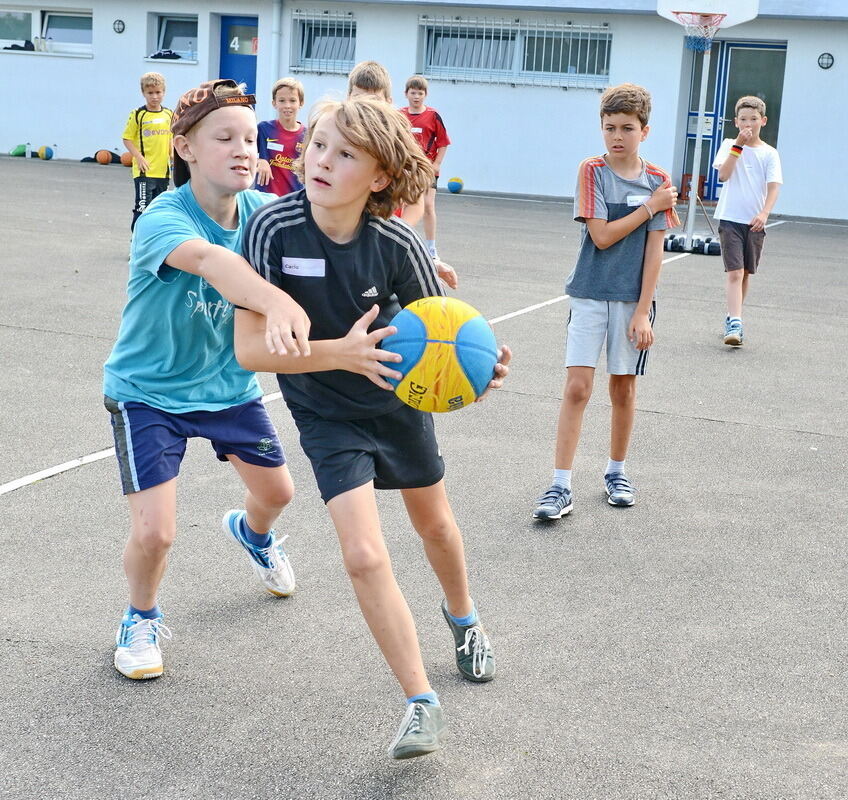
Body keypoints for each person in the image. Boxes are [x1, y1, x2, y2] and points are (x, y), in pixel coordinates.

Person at [236, 96, 511, 760]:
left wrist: (476, 368)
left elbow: (439, 329)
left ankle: (464, 619)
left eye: (345, 154)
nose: (322, 160)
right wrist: (339, 354)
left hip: (394, 403)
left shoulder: (395, 243)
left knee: (435, 525)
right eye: (320, 145)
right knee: (362, 554)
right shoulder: (272, 229)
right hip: (325, 412)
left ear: (380, 177)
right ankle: (421, 702)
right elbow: (249, 349)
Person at [104, 80, 392, 682]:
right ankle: (140, 616)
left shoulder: (264, 212)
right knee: (156, 533)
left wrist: (406, 257)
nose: (245, 150)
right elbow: (214, 262)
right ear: (183, 147)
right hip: (148, 393)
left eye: (251, 139)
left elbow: (336, 234)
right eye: (224, 138)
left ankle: (254, 534)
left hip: (229, 389)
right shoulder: (163, 217)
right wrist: (275, 302)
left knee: (279, 495)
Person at [532, 83, 678, 520]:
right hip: (590, 295)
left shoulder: (659, 181)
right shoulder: (592, 171)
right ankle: (560, 485)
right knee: (577, 387)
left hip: (632, 301)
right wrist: (649, 208)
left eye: (627, 128)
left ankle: (617, 472)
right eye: (609, 127)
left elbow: (655, 254)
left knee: (623, 389)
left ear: (644, 131)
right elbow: (601, 235)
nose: (617, 136)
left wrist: (642, 311)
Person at [346, 61, 458, 291]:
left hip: (384, 245)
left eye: (374, 100)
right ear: (348, 99)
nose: (366, 106)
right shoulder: (336, 140)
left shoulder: (399, 147)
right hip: (346, 244)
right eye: (358, 98)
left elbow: (415, 204)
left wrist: (393, 236)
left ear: (388, 103)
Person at [713, 95, 782, 347]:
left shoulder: (770, 153)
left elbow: (773, 188)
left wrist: (764, 213)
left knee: (745, 275)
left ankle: (733, 316)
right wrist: (737, 147)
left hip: (754, 222)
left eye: (753, 119)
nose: (748, 124)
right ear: (736, 121)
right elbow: (723, 174)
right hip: (730, 218)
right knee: (735, 271)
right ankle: (735, 323)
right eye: (743, 119)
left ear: (763, 121)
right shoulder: (729, 144)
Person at [399, 75, 450, 261]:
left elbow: (444, 142)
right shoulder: (399, 115)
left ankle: (431, 249)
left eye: (420, 93)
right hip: (406, 168)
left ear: (425, 95)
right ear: (406, 94)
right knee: (404, 205)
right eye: (413, 92)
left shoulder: (433, 116)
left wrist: (436, 164)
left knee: (428, 206)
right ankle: (402, 244)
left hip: (427, 169)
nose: (416, 96)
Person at [121, 72, 173, 231]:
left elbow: (172, 138)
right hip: (144, 171)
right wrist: (139, 158)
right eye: (150, 93)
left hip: (163, 172)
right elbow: (127, 139)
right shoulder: (138, 114)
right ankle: (136, 246)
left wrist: (173, 157)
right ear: (143, 93)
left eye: (158, 92)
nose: (155, 96)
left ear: (164, 92)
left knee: (159, 211)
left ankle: (154, 245)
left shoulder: (169, 114)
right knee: (142, 209)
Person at [256, 77, 306, 197]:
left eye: (292, 100)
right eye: (282, 100)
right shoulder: (263, 129)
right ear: (274, 103)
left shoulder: (308, 136)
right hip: (264, 199)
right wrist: (259, 161)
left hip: (293, 201)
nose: (287, 105)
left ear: (301, 103)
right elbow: (245, 156)